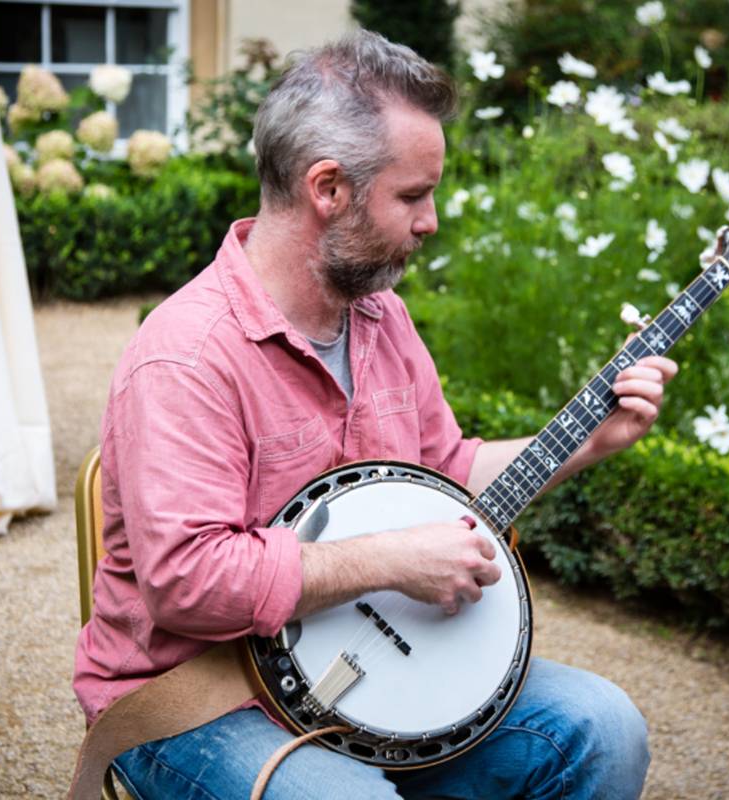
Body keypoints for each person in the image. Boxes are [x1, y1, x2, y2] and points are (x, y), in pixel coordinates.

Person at [74, 30, 676, 799]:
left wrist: (587, 439)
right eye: (412, 195)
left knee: (603, 726)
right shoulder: (186, 357)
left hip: (370, 663)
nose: (431, 220)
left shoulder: (379, 316)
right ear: (328, 189)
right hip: (200, 697)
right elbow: (189, 581)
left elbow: (446, 474)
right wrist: (393, 561)